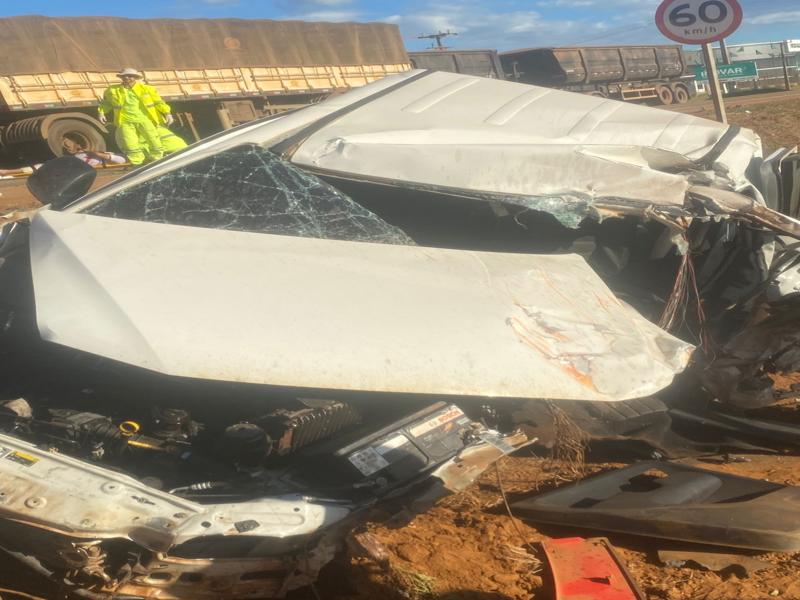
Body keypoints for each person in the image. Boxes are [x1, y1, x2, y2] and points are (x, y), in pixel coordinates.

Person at [98, 68, 183, 165]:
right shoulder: (112, 90)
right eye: (124, 76)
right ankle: (137, 162)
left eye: (130, 76)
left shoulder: (146, 89)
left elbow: (158, 102)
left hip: (145, 119)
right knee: (129, 142)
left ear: (135, 77)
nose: (126, 78)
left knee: (153, 140)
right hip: (125, 121)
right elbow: (106, 103)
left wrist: (167, 113)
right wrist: (101, 112)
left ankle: (157, 159)